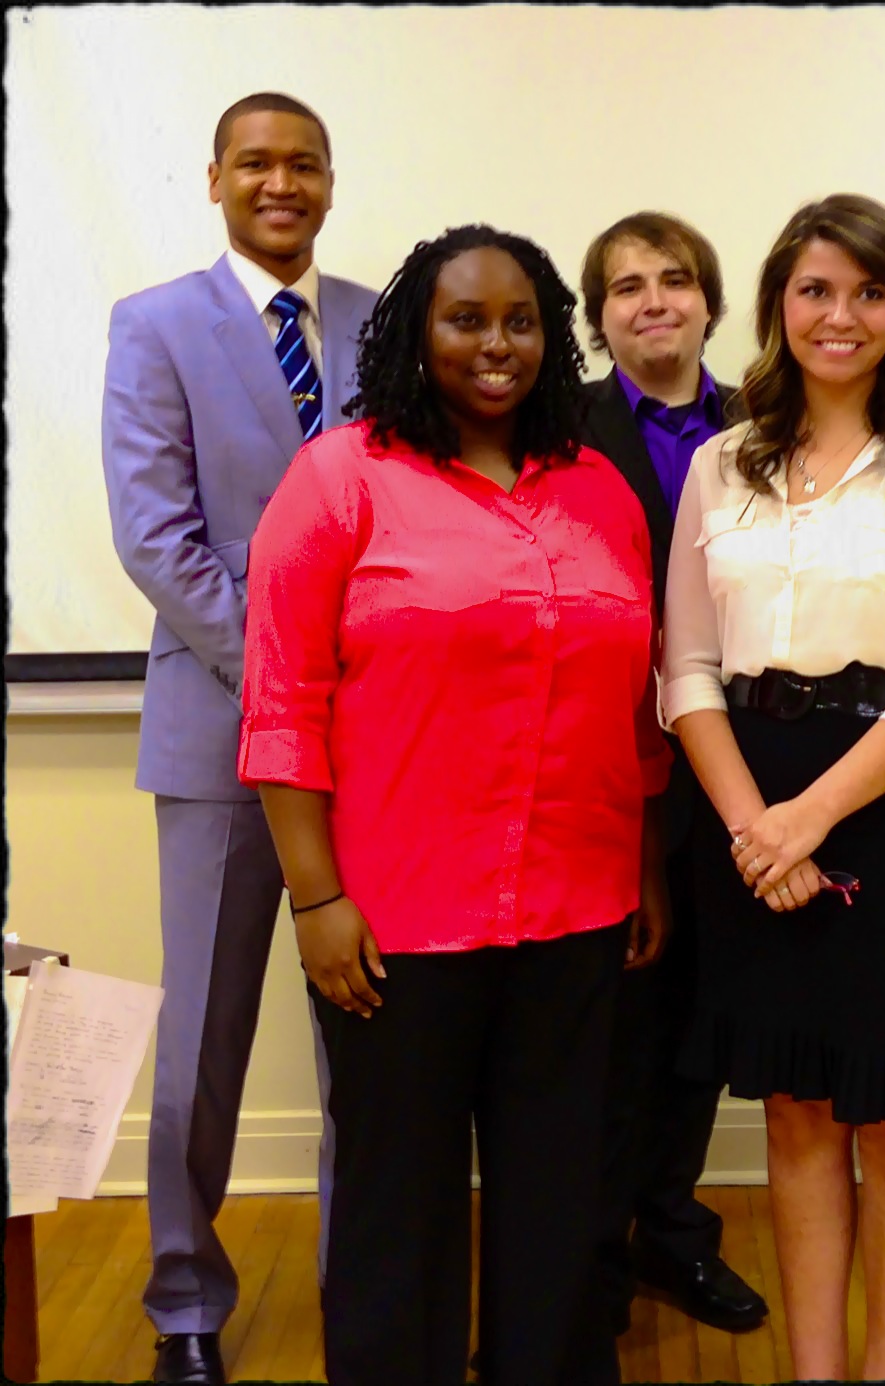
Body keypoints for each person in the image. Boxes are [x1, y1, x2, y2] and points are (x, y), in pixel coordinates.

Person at [238, 224, 671, 1386]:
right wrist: (314, 895)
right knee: (398, 1203)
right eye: (465, 319)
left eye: (520, 321)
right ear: (412, 334)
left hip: (575, 912)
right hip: (391, 925)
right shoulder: (341, 477)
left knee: (559, 1196)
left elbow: (635, 706)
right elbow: (282, 703)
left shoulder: (600, 493)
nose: (496, 345)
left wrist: (643, 872)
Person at [662, 192, 885, 1380]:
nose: (840, 315)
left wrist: (811, 818)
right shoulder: (720, 464)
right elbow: (688, 669)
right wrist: (755, 827)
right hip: (745, 807)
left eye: (868, 292)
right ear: (774, 309)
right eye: (814, 290)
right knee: (797, 1116)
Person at [99, 91, 376, 1386]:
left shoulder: (384, 323)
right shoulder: (153, 325)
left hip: (376, 750)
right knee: (203, 1037)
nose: (281, 182)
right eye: (256, 163)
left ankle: (361, 1282)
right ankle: (185, 1302)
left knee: (367, 1033)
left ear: (329, 182)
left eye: (303, 164)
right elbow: (157, 537)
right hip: (220, 739)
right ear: (214, 177)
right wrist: (283, 681)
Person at [577, 211, 768, 1335]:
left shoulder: (768, 426)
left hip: (736, 766)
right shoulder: (565, 432)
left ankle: (672, 1234)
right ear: (600, 319)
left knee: (698, 1024)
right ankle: (589, 1258)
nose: (654, 301)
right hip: (603, 775)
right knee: (612, 1037)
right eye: (626, 287)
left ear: (709, 302)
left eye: (675, 280)